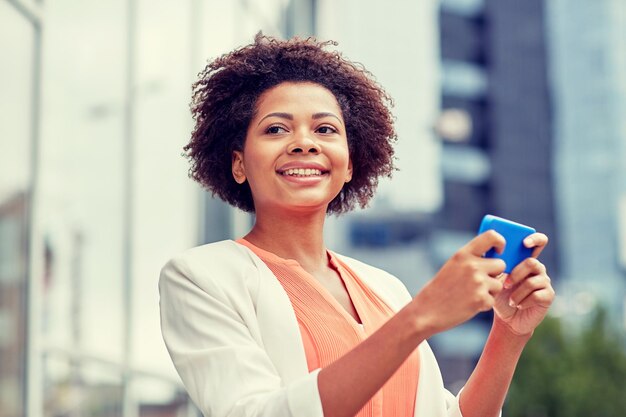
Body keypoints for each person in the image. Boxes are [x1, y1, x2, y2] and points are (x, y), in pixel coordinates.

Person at [159, 34, 555, 417]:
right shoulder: (199, 278)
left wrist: (509, 333)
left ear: (349, 164)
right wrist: (419, 318)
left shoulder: (386, 289)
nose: (304, 143)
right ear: (239, 164)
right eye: (276, 129)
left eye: (325, 129)